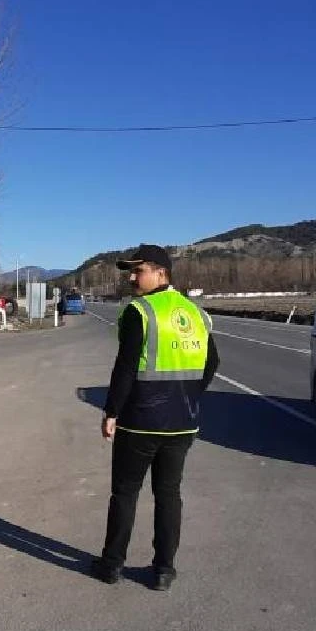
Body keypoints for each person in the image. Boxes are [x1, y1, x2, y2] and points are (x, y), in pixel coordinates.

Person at [91, 244, 219, 591]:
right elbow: (212, 364)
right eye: (130, 272)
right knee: (169, 495)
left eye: (139, 271)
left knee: (125, 493)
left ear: (162, 272)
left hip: (140, 422)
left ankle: (112, 565)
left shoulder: (140, 311)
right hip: (183, 422)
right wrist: (189, 396)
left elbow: (126, 367)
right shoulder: (195, 312)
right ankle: (164, 569)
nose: (132, 278)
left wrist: (111, 410)